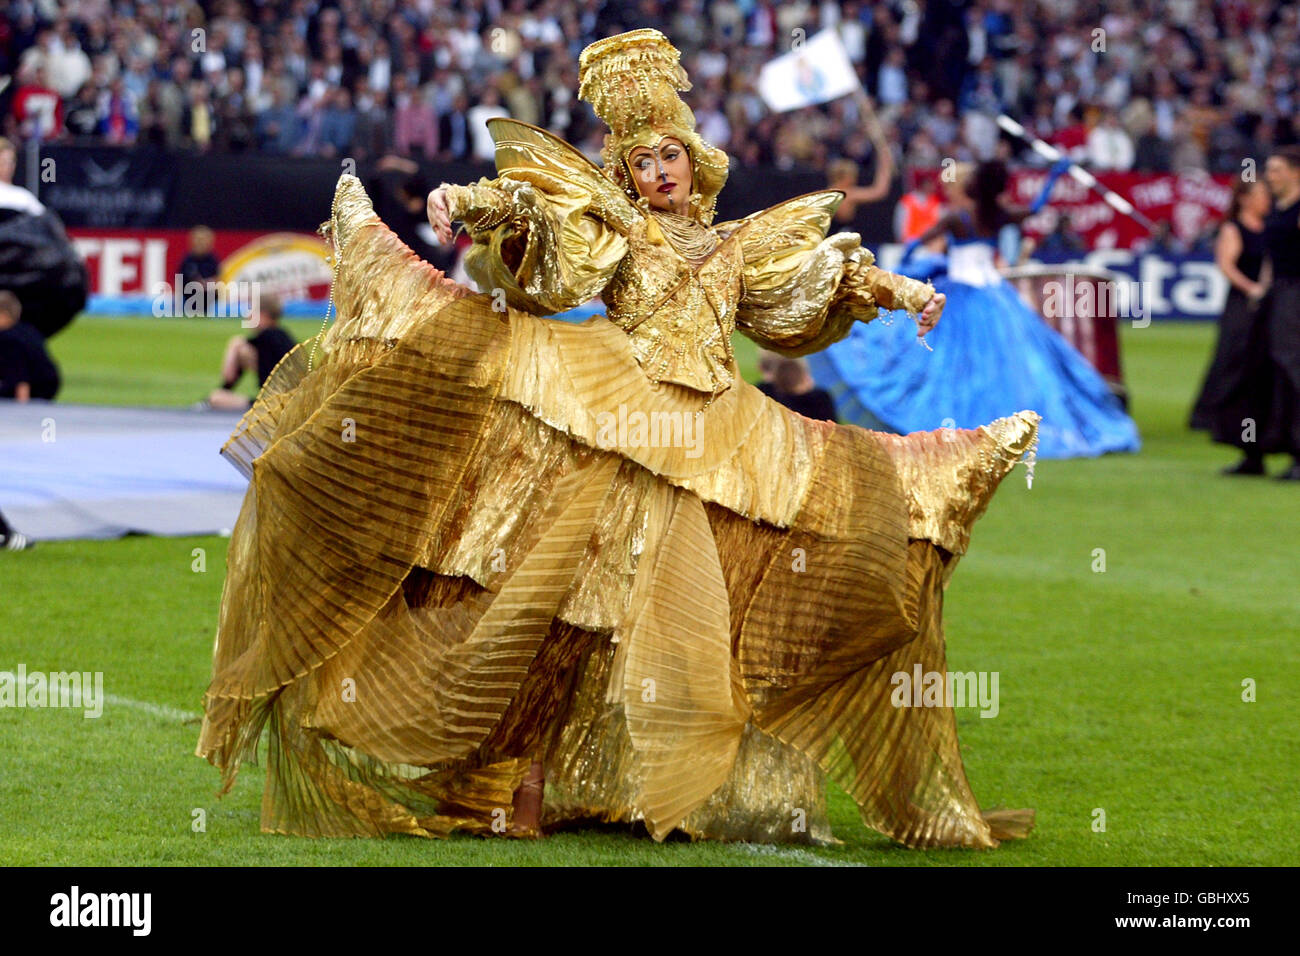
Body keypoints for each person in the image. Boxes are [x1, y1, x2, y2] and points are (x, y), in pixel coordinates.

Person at [198, 30, 1039, 850]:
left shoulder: (735, 244)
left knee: (726, 605)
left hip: (713, 436)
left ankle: (673, 785)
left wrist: (897, 290)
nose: (660, 171)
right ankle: (515, 792)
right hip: (613, 416)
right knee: (555, 611)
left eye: (670, 154)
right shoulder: (617, 227)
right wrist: (470, 203)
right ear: (627, 174)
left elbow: (815, 280)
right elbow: (540, 215)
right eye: (643, 160)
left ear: (694, 160)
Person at [808, 159, 1141, 459]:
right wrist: (1052, 177)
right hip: (996, 295)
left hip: (961, 295)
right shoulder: (997, 215)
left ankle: (959, 420)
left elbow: (917, 242)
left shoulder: (958, 218)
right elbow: (1036, 208)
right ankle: (1013, 420)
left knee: (944, 360)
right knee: (1013, 362)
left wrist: (910, 266)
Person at [1188, 179, 1273, 474]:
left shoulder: (1270, 226)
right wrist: (1251, 288)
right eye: (1262, 194)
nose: (1267, 199)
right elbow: (1226, 264)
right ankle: (1210, 412)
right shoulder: (1233, 228)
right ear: (1245, 199)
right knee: (1230, 355)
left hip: (1266, 300)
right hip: (1241, 301)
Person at [1261, 146, 1300, 480]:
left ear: (1295, 172)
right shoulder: (1278, 208)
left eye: (1275, 170)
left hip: (1296, 294)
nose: (1269, 177)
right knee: (1281, 368)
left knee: (1294, 367)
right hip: (1280, 294)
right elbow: (1272, 257)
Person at [199, 294, 293, 411]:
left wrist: (233, 345)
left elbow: (228, 375)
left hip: (275, 404)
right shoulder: (281, 337)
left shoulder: (266, 337)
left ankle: (210, 402)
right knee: (244, 353)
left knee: (216, 399)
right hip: (289, 400)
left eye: (251, 311)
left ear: (263, 315)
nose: (248, 316)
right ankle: (217, 397)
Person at [0, 289, 60, 401]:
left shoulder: (8, 339)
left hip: (34, 391)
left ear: (4, 314)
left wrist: (24, 412)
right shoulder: (27, 330)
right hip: (47, 387)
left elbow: (21, 380)